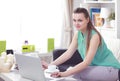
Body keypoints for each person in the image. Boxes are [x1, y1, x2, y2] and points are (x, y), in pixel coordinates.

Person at [42, 7, 120, 81]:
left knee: (75, 72)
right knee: (72, 71)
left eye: (80, 20)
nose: (76, 23)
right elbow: (68, 54)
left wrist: (64, 73)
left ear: (87, 20)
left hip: (111, 69)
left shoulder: (94, 36)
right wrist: (50, 65)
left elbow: (86, 63)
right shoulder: (77, 34)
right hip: (96, 67)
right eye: (74, 20)